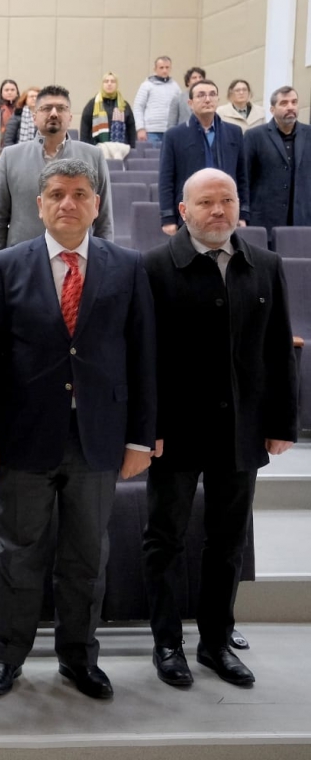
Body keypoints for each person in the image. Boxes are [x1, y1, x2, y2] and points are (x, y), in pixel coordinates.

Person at [0, 157, 157, 700]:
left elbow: (143, 357)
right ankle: (7, 656)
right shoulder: (6, 264)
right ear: (40, 205)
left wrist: (140, 438)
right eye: (56, 194)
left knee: (86, 556)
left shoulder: (127, 266)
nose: (68, 203)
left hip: (98, 437)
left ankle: (79, 657)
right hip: (24, 436)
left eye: (79, 194)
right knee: (17, 553)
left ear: (97, 205)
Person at [141, 168, 296, 690]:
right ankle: (167, 643)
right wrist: (147, 426)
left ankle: (215, 641)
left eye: (226, 200)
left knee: (228, 540)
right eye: (206, 202)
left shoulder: (266, 265)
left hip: (241, 427)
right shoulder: (154, 266)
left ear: (238, 206)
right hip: (175, 428)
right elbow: (145, 357)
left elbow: (279, 350)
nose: (217, 210)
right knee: (164, 537)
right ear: (183, 211)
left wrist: (280, 422)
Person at [0, 85, 114, 254]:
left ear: (70, 117)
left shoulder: (93, 156)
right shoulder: (10, 157)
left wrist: (104, 261)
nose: (54, 113)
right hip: (23, 260)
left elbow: (104, 220)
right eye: (46, 108)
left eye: (61, 108)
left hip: (77, 261)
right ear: (34, 117)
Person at [158, 80, 249, 234]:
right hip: (192, 211)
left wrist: (243, 213)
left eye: (212, 94)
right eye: (201, 95)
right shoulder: (174, 136)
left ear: (218, 99)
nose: (207, 99)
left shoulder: (234, 133)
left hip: (225, 211)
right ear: (190, 103)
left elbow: (242, 176)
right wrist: (168, 218)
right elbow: (166, 179)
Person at [245, 87, 311, 232]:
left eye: (294, 102)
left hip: (303, 222)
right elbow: (244, 178)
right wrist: (243, 213)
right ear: (272, 109)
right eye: (284, 103)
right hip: (265, 221)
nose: (290, 107)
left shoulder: (308, 134)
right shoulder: (254, 136)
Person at [80, 72, 136, 151]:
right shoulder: (92, 104)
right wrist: (84, 149)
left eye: (113, 81)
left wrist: (132, 148)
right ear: (102, 84)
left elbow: (131, 129)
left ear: (117, 84)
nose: (109, 84)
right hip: (96, 150)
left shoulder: (124, 105)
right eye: (106, 81)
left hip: (120, 151)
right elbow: (85, 128)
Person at [134, 56, 182, 144]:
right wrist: (140, 128)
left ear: (170, 68)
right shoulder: (146, 85)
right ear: (155, 69)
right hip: (151, 132)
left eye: (167, 67)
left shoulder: (175, 87)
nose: (164, 70)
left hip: (170, 131)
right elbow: (138, 107)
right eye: (161, 67)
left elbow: (180, 108)